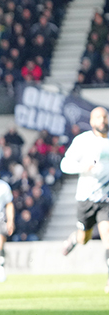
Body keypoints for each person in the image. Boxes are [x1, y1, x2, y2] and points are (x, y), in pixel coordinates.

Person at [61, 106, 109, 293]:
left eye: (104, 116)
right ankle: (75, 237)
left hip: (106, 199)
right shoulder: (83, 141)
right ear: (91, 121)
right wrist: (83, 166)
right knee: (84, 239)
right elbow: (64, 164)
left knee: (107, 234)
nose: (102, 120)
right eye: (98, 117)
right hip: (86, 198)